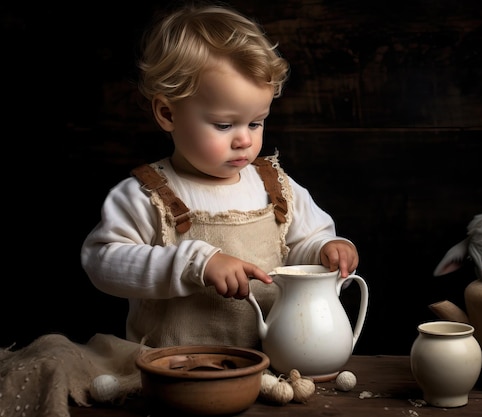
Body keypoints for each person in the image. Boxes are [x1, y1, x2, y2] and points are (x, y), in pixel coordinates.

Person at [81, 2, 359, 350]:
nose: (245, 139)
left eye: (256, 122)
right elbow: (102, 262)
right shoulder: (144, 195)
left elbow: (301, 246)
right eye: (224, 125)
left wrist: (325, 251)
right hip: (175, 368)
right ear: (167, 113)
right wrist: (196, 262)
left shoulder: (277, 188)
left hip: (269, 363)